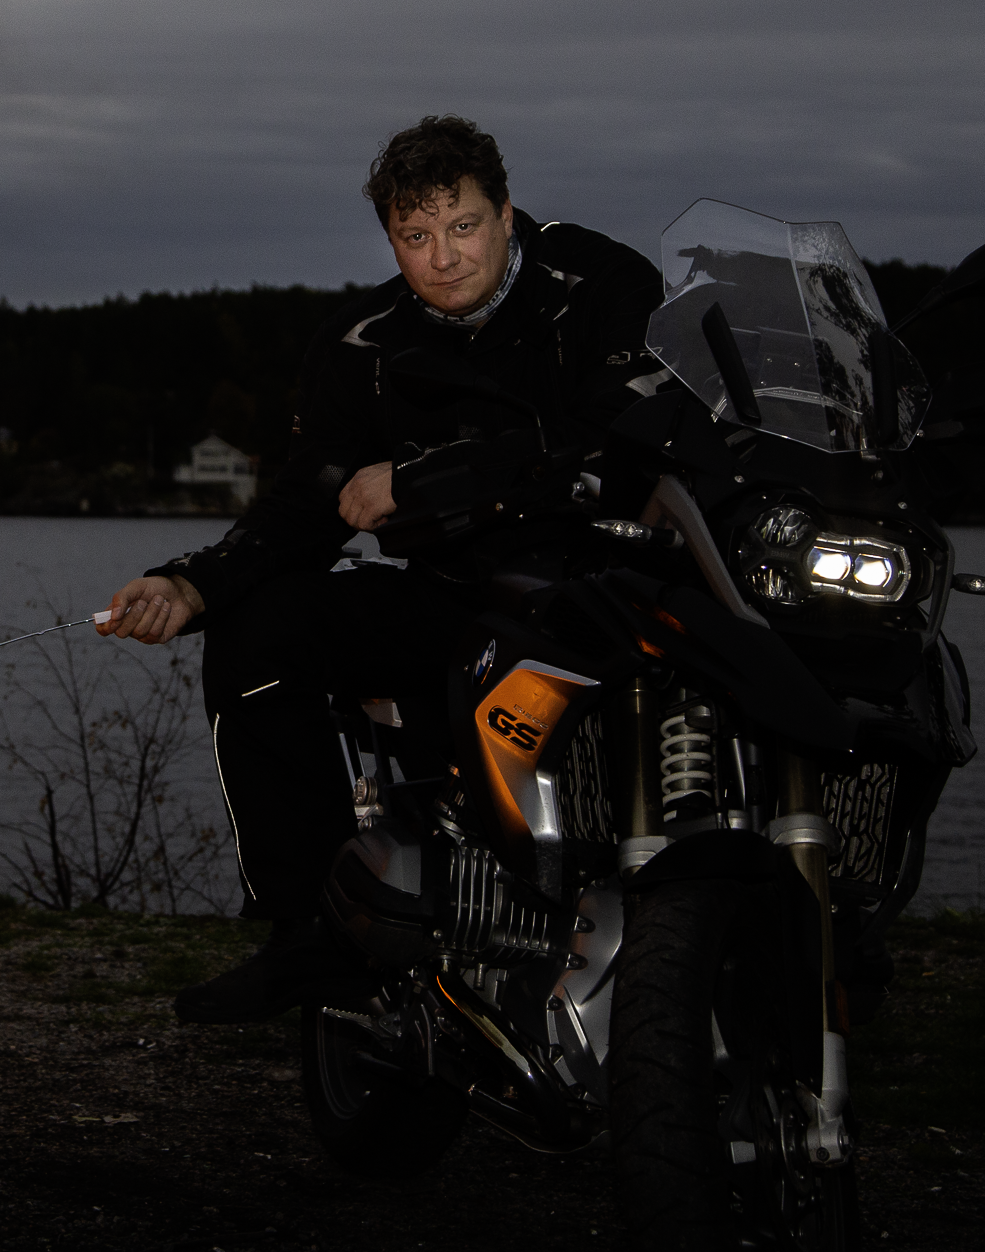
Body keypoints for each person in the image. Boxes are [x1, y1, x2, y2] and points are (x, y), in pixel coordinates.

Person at [98, 115, 666, 1023]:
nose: (442, 257)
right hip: (454, 601)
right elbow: (305, 504)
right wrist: (189, 583)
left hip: (610, 590)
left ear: (507, 214)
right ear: (392, 239)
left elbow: (624, 434)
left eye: (464, 226)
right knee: (263, 632)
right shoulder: (362, 346)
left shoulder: (600, 283)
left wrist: (432, 477)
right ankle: (313, 935)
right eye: (416, 235)